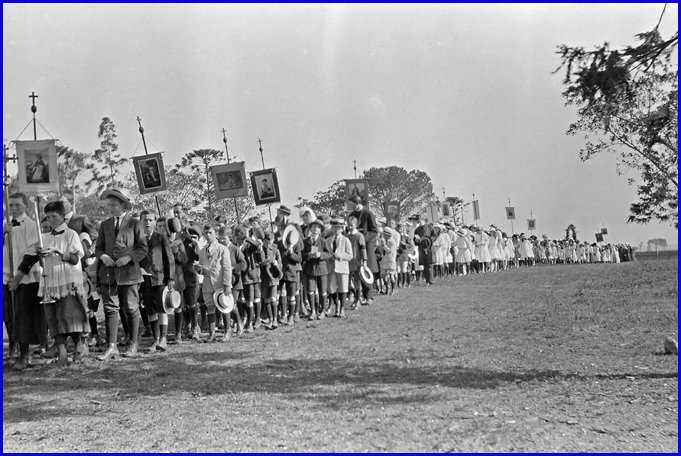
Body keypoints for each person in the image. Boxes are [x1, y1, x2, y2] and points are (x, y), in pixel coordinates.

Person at [18, 201, 88, 366]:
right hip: (50, 281)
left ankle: (79, 346)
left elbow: (75, 258)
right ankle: (62, 354)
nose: (51, 220)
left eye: (54, 216)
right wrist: (39, 252)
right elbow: (31, 254)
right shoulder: (44, 238)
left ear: (62, 216)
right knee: (53, 317)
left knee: (71, 316)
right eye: (48, 217)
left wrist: (56, 251)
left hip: (68, 280)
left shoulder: (71, 234)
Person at [94, 188, 148, 361]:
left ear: (123, 205)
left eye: (114, 205)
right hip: (108, 274)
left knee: (131, 308)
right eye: (109, 205)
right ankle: (112, 346)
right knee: (110, 309)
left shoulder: (134, 223)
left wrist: (128, 258)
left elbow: (142, 248)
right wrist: (102, 256)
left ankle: (133, 343)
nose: (110, 208)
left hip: (129, 273)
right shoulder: (104, 225)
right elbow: (98, 247)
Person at [3, 193, 46, 370]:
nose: (13, 209)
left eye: (17, 205)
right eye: (11, 205)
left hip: (25, 277)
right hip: (6, 275)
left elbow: (32, 253)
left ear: (25, 206)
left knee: (23, 316)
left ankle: (25, 355)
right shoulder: (5, 226)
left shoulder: (30, 225)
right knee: (10, 315)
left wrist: (19, 277)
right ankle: (14, 348)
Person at [138, 210, 175, 352]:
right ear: (140, 221)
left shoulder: (161, 238)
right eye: (144, 220)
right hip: (144, 280)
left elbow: (169, 258)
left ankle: (163, 339)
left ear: (154, 222)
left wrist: (170, 278)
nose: (147, 222)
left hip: (160, 279)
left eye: (150, 220)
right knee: (150, 310)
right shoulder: (138, 239)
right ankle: (155, 339)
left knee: (162, 308)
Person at [196, 225, 232, 342]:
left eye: (210, 232)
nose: (208, 235)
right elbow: (202, 266)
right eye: (205, 233)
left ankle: (227, 331)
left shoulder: (222, 249)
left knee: (224, 306)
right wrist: (199, 269)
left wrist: (227, 284)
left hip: (219, 283)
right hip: (207, 283)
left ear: (215, 233)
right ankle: (212, 333)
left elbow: (227, 268)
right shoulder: (202, 251)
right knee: (210, 307)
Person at [347, 195, 379, 303]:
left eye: (352, 204)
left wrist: (362, 238)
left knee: (367, 269)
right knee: (355, 270)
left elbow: (374, 231)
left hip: (367, 243)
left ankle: (368, 296)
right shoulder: (351, 215)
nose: (350, 206)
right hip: (354, 244)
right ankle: (357, 296)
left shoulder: (368, 214)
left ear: (357, 203)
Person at [302, 218, 333, 320]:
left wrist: (321, 254)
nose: (316, 229)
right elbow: (302, 255)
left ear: (320, 230)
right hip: (310, 269)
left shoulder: (323, 241)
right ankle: (313, 311)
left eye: (318, 228)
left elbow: (329, 254)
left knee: (323, 291)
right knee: (310, 291)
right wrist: (308, 255)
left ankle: (323, 311)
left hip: (322, 269)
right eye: (314, 227)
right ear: (310, 229)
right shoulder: (305, 242)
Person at [327, 217, 353, 317]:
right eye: (334, 227)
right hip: (331, 267)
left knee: (343, 288)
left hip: (342, 267)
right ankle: (336, 304)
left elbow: (350, 255)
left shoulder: (346, 240)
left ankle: (342, 308)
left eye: (338, 228)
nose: (336, 230)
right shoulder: (328, 240)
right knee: (331, 288)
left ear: (342, 229)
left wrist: (340, 256)